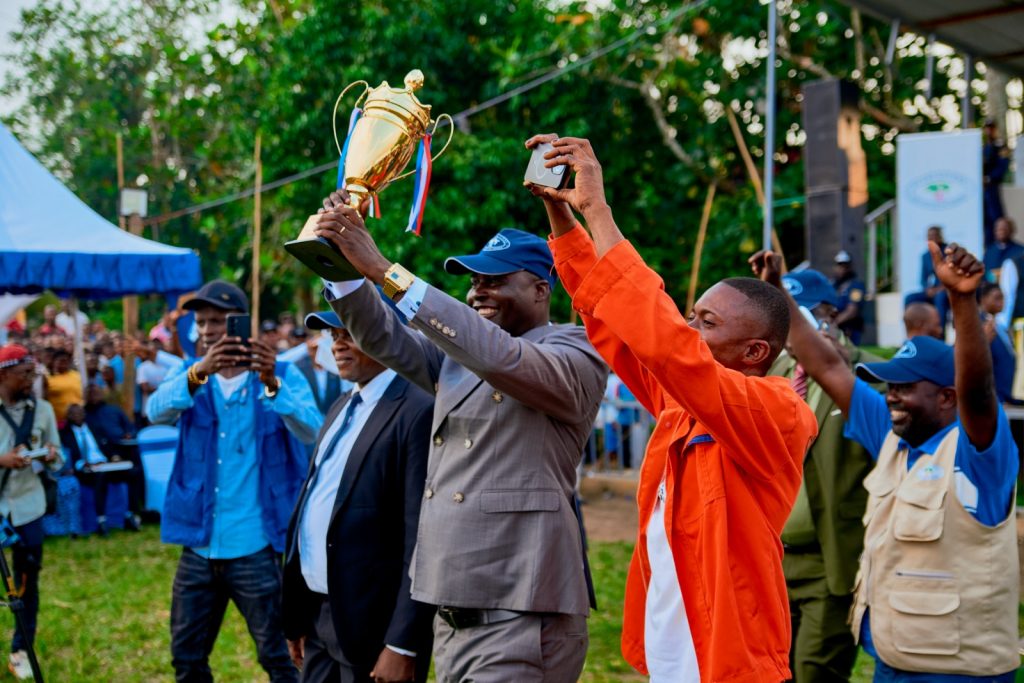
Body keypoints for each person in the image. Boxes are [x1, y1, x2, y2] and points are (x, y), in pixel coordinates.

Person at [524, 134, 817, 682]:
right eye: (691, 314)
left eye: (707, 323)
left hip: (733, 664)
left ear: (755, 352)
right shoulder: (681, 403)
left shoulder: (778, 412)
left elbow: (666, 344)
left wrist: (598, 209)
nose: (688, 326)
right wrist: (561, 213)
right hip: (669, 655)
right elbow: (616, 326)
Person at [313, 192, 607, 682]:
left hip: (520, 612)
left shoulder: (575, 351)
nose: (478, 292)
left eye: (495, 281)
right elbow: (382, 336)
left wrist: (385, 270)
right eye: (474, 282)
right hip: (451, 610)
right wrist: (341, 263)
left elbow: (501, 358)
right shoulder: (456, 358)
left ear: (541, 289)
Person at [753, 241, 1019, 681]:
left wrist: (962, 299)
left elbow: (977, 390)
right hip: (892, 661)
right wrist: (780, 292)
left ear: (946, 397)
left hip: (958, 672)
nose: (891, 396)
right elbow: (827, 367)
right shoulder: (892, 438)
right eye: (889, 386)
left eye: (905, 388)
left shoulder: (978, 456)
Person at [146, 279, 322, 683]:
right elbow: (155, 412)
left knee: (281, 658)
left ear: (241, 322)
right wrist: (198, 372)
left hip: (255, 545)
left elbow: (313, 429)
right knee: (186, 658)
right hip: (199, 545)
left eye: (218, 321)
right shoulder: (188, 374)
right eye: (201, 322)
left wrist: (272, 384)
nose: (208, 330)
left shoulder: (280, 373)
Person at [282, 308, 435, 683]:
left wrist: (403, 643)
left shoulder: (418, 409)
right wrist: (298, 615)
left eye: (349, 332)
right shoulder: (341, 405)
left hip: (374, 629)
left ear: (388, 334)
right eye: (334, 335)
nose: (338, 345)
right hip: (320, 616)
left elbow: (423, 537)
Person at [774, 269, 875, 682]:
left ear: (830, 315)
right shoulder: (773, 370)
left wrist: (836, 366)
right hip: (773, 558)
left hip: (830, 559)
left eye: (797, 315)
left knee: (815, 671)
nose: (788, 328)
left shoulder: (867, 376)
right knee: (773, 670)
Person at [0, 344, 62, 680]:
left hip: (28, 507)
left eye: (32, 373)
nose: (30, 380)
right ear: (3, 374)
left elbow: (59, 456)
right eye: (24, 374)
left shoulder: (43, 410)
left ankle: (21, 649)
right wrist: (3, 460)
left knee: (27, 581)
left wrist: (50, 455)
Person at [59, 403, 138, 535]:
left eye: (80, 413)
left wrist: (114, 456)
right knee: (101, 476)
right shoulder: (65, 434)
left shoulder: (94, 427)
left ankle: (130, 515)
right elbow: (67, 456)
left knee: (132, 472)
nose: (77, 416)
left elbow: (107, 445)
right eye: (73, 414)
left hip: (104, 464)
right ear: (69, 417)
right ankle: (101, 520)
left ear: (84, 414)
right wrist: (82, 464)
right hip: (86, 470)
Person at [84, 384, 145, 525]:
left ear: (102, 394)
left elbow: (131, 429)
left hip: (121, 457)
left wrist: (129, 435)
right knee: (101, 476)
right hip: (98, 461)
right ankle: (101, 519)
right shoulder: (83, 415)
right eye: (89, 392)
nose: (93, 395)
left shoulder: (113, 410)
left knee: (135, 471)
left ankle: (133, 513)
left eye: (96, 392)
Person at [978, 282, 1019, 405]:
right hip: (993, 397)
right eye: (997, 298)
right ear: (983, 299)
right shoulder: (979, 324)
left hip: (1004, 395)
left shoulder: (1000, 325)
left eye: (1003, 298)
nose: (1001, 302)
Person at [906, 226, 950, 329]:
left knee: (940, 297)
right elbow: (923, 279)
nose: (932, 239)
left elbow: (952, 277)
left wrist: (940, 289)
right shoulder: (925, 256)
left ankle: (939, 332)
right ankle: (912, 331)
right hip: (933, 290)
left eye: (934, 236)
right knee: (910, 298)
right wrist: (928, 289)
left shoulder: (948, 253)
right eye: (929, 237)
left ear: (940, 237)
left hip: (946, 290)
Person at [293, 330, 343, 417]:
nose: (317, 352)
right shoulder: (300, 370)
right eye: (314, 349)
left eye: (320, 348)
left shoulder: (335, 369)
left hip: (333, 416)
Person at [983, 118, 1009, 247]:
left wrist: (989, 178)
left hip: (992, 187)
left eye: (991, 128)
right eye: (987, 128)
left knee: (996, 217)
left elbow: (1002, 166)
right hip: (982, 189)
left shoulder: (1000, 146)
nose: (989, 130)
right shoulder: (983, 147)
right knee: (985, 219)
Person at [830, 251, 866, 344]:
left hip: (849, 329)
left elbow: (852, 310)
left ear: (850, 267)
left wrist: (834, 323)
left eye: (845, 266)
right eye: (840, 265)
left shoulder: (856, 287)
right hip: (835, 328)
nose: (842, 269)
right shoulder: (833, 285)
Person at [43, 349, 81, 424]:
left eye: (66, 361)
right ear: (54, 362)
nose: (64, 363)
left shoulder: (77, 375)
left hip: (79, 419)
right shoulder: (47, 379)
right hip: (59, 422)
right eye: (61, 361)